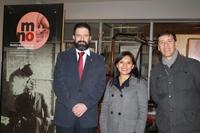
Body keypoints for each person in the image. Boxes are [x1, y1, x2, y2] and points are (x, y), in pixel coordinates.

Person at [53, 23, 106, 133]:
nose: (82, 39)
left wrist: (85, 105)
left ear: (90, 38)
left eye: (85, 35)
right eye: (78, 35)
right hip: (65, 115)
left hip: (88, 116)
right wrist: (72, 104)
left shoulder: (99, 60)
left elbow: (100, 87)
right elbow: (58, 84)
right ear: (73, 37)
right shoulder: (62, 57)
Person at [150, 31, 200, 133]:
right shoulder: (155, 70)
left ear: (175, 43)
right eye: (162, 42)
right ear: (158, 47)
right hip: (165, 127)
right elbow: (155, 97)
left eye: (169, 41)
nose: (166, 45)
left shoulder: (193, 65)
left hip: (190, 127)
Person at [100, 51, 148, 133]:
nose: (124, 66)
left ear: (133, 66)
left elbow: (143, 112)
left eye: (128, 63)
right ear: (117, 65)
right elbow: (105, 108)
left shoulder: (139, 83)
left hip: (129, 128)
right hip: (111, 127)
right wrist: (104, 129)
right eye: (121, 62)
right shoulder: (111, 82)